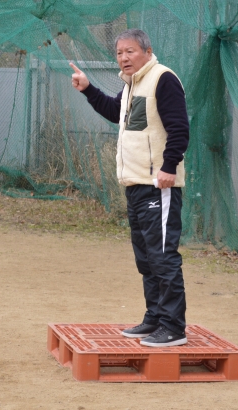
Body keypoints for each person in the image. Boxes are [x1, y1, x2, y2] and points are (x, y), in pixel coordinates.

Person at [69, 29, 190, 346]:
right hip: (135, 185)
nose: (124, 57)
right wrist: (88, 89)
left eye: (130, 51)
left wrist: (169, 167)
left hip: (158, 185)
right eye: (119, 52)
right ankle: (155, 318)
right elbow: (114, 112)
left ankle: (173, 327)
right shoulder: (132, 84)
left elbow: (179, 128)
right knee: (146, 259)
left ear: (148, 51)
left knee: (162, 257)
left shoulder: (163, 79)